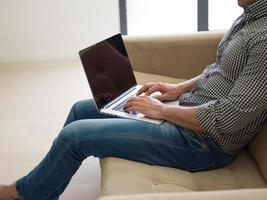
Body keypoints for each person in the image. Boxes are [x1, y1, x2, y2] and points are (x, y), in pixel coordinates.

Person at [1, 0, 267, 199]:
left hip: (203, 143)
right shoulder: (248, 17)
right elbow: (219, 70)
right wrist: (177, 89)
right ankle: (41, 190)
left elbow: (230, 116)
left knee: (75, 137)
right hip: (187, 110)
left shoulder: (264, 38)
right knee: (82, 109)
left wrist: (161, 111)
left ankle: (23, 193)